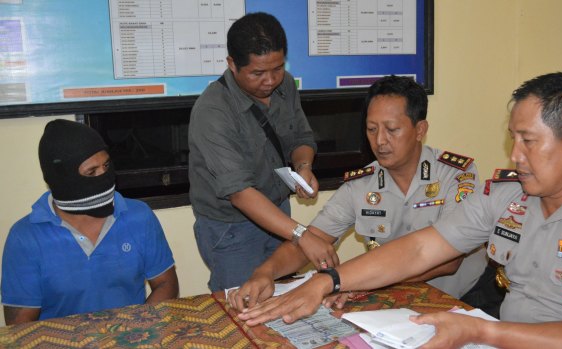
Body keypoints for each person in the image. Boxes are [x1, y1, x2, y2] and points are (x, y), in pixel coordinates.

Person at [236, 72, 562, 348]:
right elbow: (422, 248)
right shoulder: (509, 195)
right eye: (513, 140)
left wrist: (482, 332)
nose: (515, 156)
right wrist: (327, 281)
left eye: (528, 141)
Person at [229, 75, 489, 311]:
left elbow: (449, 261)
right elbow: (313, 240)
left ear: (420, 130)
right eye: (372, 129)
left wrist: (348, 282)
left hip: (463, 300)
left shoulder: (455, 175)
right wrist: (265, 272)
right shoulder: (362, 184)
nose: (380, 141)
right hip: (396, 302)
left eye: (392, 129)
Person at [188, 12, 335, 292]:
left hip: (278, 209)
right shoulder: (213, 111)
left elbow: (301, 137)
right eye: (257, 73)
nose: (270, 81)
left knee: (284, 297)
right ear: (232, 64)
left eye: (277, 68)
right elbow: (240, 193)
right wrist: (302, 235)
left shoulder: (286, 84)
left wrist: (303, 166)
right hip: (232, 228)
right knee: (244, 304)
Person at [1, 119, 179, 325]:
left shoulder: (138, 216)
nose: (104, 177)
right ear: (62, 179)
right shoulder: (26, 238)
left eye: (106, 166)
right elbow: (20, 327)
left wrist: (133, 329)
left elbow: (166, 283)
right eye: (91, 172)